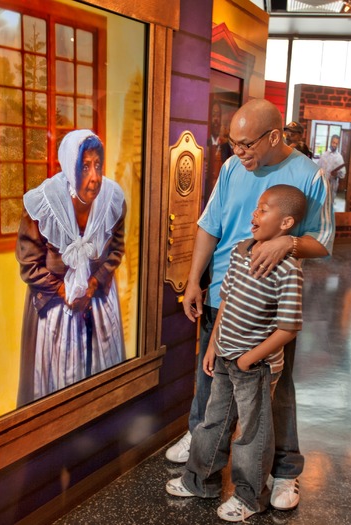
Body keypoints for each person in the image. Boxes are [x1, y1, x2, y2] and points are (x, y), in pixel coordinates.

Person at [165, 99, 334, 511]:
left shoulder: (310, 176)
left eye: (245, 144)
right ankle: (202, 445)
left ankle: (285, 471)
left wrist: (287, 242)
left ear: (273, 136)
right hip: (225, 295)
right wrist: (193, 281)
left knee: (273, 395)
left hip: (267, 308)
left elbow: (323, 241)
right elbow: (211, 224)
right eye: (232, 143)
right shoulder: (230, 169)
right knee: (210, 382)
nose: (237, 152)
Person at [166, 184, 307, 522]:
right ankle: (200, 480)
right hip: (226, 356)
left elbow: (288, 327)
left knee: (253, 435)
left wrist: (249, 358)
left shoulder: (289, 270)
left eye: (263, 209)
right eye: (256, 207)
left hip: (253, 366)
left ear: (286, 223)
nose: (254, 215)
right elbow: (225, 301)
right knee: (213, 421)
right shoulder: (241, 251)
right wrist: (213, 344)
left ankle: (248, 497)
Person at [16, 129, 126, 406]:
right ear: (69, 168)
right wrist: (65, 291)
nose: (94, 177)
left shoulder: (111, 199)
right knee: (59, 389)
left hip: (97, 303)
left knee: (100, 383)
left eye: (98, 166)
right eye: (85, 166)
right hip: (55, 311)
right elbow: (29, 264)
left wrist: (91, 285)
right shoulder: (42, 205)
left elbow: (116, 249)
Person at [206, 100, 233, 199]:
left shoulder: (226, 146)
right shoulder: (206, 142)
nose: (216, 119)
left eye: (218, 115)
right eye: (213, 115)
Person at [318, 134, 346, 203]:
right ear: (331, 142)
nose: (334, 145)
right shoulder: (324, 155)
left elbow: (343, 174)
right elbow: (318, 168)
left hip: (332, 185)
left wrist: (337, 174)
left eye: (336, 143)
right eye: (333, 142)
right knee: (321, 203)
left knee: (330, 203)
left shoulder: (339, 158)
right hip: (323, 184)